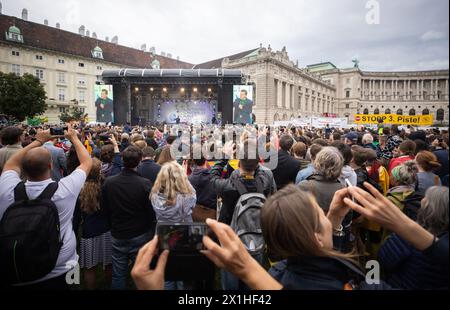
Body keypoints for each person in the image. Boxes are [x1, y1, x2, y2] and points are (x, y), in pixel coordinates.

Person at [131, 182, 448, 291]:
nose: (328, 214)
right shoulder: (360, 284)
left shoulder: (277, 274)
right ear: (315, 232)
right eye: (321, 213)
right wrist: (411, 229)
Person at [0, 124, 92, 289]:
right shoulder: (64, 191)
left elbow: (10, 164)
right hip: (64, 268)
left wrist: (38, 141)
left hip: (17, 268)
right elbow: (86, 162)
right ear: (50, 166)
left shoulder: (7, 190)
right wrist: (74, 138)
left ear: (23, 169)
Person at [101, 146, 156, 290]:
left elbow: (104, 209)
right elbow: (151, 212)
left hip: (120, 233)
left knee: (118, 275)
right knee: (142, 273)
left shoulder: (109, 182)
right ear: (139, 162)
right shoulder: (144, 184)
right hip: (138, 234)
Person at [378, 186, 449, 289]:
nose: (422, 200)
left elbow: (384, 259)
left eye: (426, 197)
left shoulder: (408, 236)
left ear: (428, 207)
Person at [150, 161, 196, 290]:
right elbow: (193, 195)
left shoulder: (154, 196)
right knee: (182, 272)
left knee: (166, 270)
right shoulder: (187, 197)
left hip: (163, 233)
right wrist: (184, 178)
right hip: (183, 233)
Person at [78, 158, 112, 290]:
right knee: (108, 264)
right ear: (99, 171)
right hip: (106, 229)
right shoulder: (107, 187)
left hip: (89, 231)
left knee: (90, 268)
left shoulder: (80, 189)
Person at [298, 147, 345, 213]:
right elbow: (347, 218)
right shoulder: (343, 189)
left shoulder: (305, 185)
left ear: (318, 163)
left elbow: (296, 212)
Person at [188, 149, 217, 221]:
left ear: (193, 161)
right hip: (212, 213)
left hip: (196, 213)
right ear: (205, 159)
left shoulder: (190, 179)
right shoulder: (213, 176)